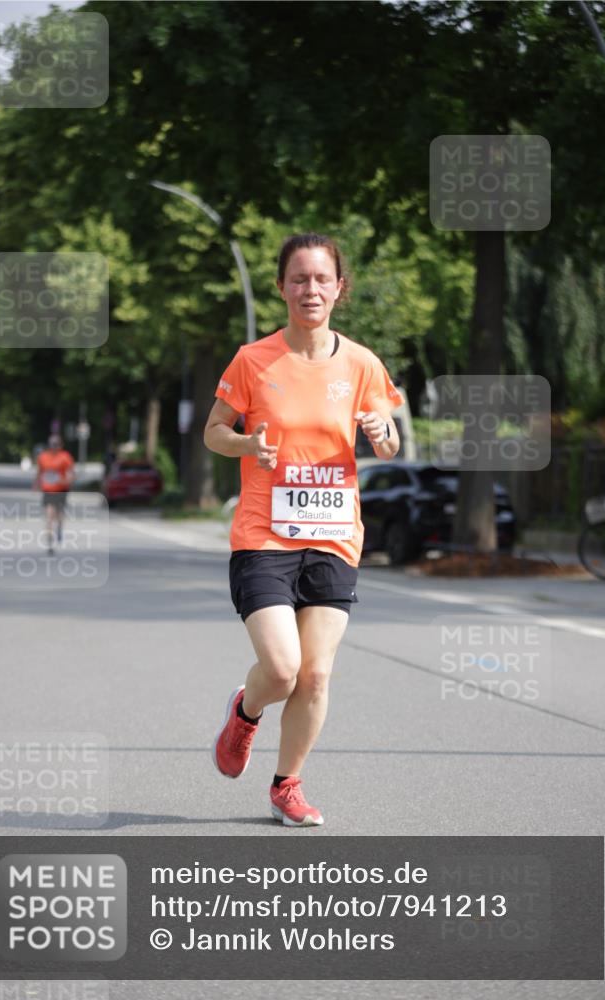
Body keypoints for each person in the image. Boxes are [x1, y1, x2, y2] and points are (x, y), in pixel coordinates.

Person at [204, 233, 401, 826]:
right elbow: (215, 430)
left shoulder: (363, 363)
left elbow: (389, 445)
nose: (310, 289)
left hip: (335, 534)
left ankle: (287, 784)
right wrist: (245, 443)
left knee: (315, 675)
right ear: (282, 286)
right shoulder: (253, 360)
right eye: (299, 278)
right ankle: (246, 712)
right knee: (284, 669)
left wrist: (380, 434)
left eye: (321, 279)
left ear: (339, 288)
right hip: (265, 534)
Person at [33, 434, 75, 555]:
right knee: (49, 515)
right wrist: (36, 484)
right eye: (51, 444)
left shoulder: (65, 457)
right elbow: (39, 472)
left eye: (56, 444)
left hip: (61, 489)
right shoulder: (43, 457)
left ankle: (60, 528)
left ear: (61, 445)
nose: (54, 447)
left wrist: (68, 481)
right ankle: (50, 542)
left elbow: (71, 473)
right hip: (48, 490)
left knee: (59, 514)